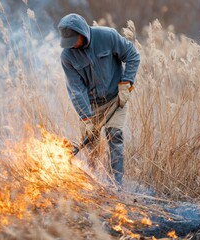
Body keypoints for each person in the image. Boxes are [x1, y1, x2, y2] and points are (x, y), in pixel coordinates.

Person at [58, 13, 140, 185]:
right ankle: (94, 183)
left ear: (82, 33)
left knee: (114, 135)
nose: (71, 46)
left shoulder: (107, 36)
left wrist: (126, 83)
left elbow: (132, 55)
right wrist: (86, 118)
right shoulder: (67, 57)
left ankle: (116, 184)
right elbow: (76, 89)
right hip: (90, 105)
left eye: (74, 40)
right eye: (68, 43)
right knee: (91, 145)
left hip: (115, 98)